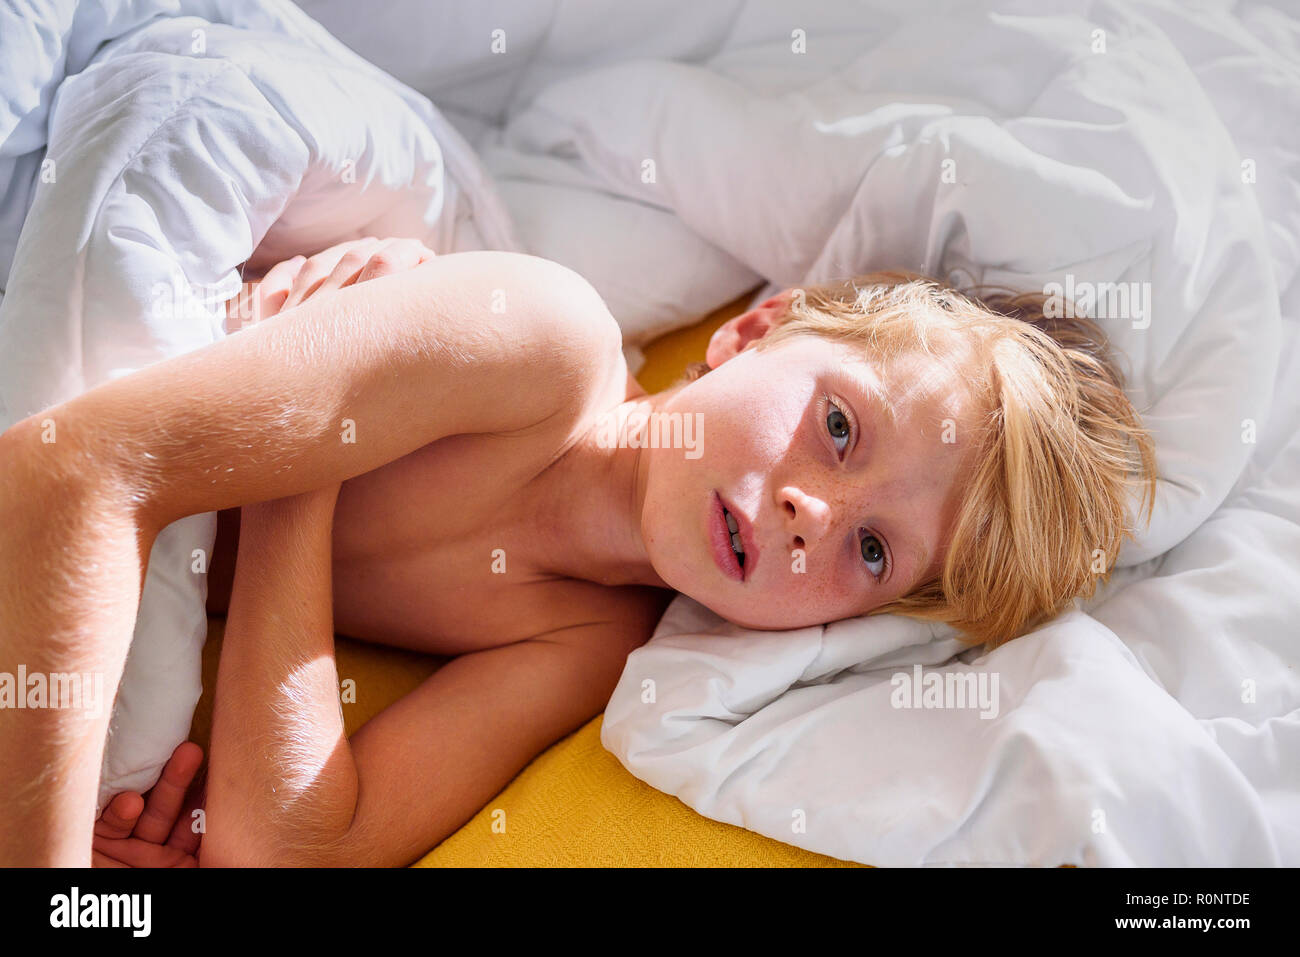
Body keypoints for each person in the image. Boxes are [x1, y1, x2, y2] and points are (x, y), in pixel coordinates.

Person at [0, 238, 1157, 866]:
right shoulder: (538, 346)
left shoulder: (582, 640)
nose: (809, 510)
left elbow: (289, 851)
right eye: (841, 426)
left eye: (869, 549)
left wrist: (306, 475)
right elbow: (69, 470)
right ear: (752, 331)